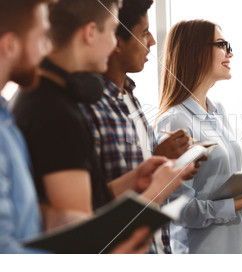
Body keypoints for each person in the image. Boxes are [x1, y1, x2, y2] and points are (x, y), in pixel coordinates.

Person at [11, 0, 193, 237]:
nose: (113, 42)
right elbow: (80, 237)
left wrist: (133, 181)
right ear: (90, 33)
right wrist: (156, 191)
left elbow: (88, 204)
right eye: (110, 30)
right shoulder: (55, 112)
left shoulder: (51, 98)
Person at [0, 0, 151, 254]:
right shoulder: (52, 111)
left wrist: (132, 183)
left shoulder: (9, 116)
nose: (45, 50)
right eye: (41, 38)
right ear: (10, 45)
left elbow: (28, 215)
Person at [154, 19, 242, 254]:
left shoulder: (217, 110)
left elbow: (219, 185)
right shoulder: (175, 121)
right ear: (195, 52)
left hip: (240, 246)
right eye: (222, 45)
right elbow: (180, 210)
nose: (230, 53)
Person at [79, 0, 193, 254]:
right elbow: (96, 201)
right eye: (144, 33)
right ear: (116, 41)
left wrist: (166, 161)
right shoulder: (87, 108)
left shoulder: (131, 97)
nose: (152, 41)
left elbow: (139, 176)